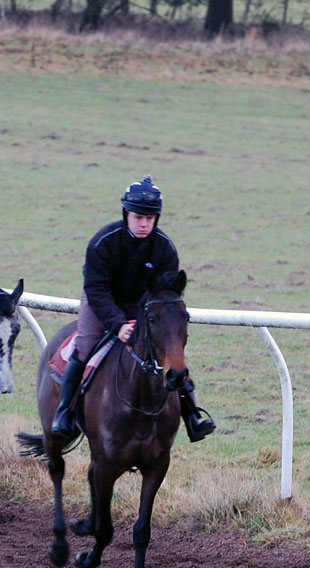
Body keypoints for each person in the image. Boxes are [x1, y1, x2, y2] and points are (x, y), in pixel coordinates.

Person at [50, 174, 215, 443]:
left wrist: (143, 321)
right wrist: (117, 324)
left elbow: (164, 295)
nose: (144, 224)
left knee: (170, 350)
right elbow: (96, 289)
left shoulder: (165, 248)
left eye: (150, 218)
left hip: (143, 306)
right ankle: (64, 412)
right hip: (100, 301)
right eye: (139, 217)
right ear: (126, 214)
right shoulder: (103, 241)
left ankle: (193, 416)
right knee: (86, 344)